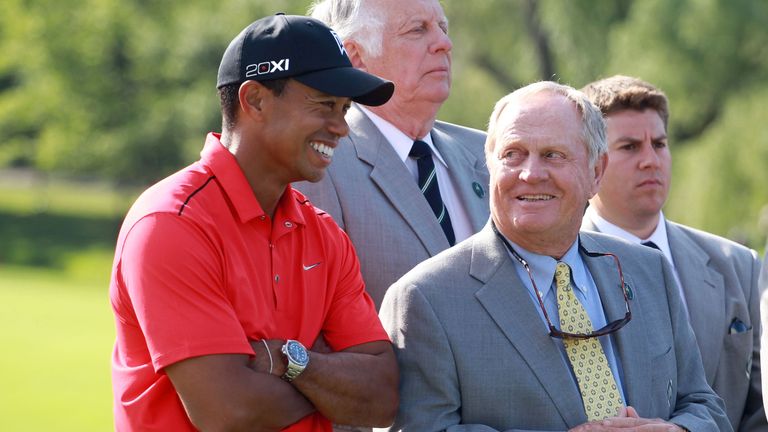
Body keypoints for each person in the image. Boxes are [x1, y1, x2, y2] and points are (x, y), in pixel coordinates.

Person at [378, 81, 731, 431]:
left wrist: (676, 431)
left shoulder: (649, 271)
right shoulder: (427, 299)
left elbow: (704, 406)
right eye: (512, 154)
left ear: (596, 172)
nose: (531, 174)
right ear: (489, 166)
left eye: (553, 155)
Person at [109, 14, 399, 432]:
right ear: (255, 100)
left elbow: (380, 398)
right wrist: (329, 381)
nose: (340, 128)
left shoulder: (324, 234)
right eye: (323, 104)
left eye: (344, 109)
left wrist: (287, 359)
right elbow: (229, 412)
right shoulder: (171, 223)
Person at [580, 75, 765, 432]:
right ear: (593, 163)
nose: (650, 160)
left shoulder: (738, 265)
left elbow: (760, 412)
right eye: (630, 147)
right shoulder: (557, 272)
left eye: (660, 144)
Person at [294, 0, 490, 310]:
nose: (444, 43)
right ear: (356, 57)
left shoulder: (489, 154)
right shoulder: (318, 165)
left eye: (442, 27)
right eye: (417, 30)